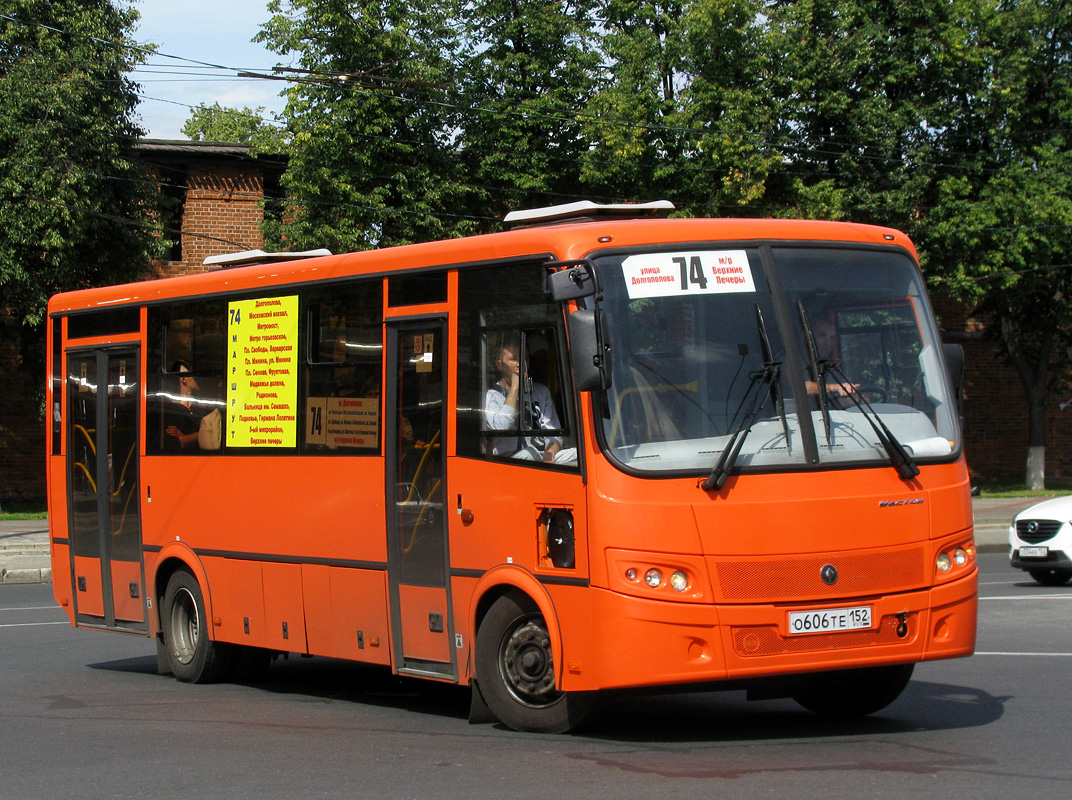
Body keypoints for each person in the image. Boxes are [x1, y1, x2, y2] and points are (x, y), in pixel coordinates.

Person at [484, 338, 576, 464]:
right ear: (499, 364)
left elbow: (554, 433)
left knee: (578, 455)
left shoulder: (541, 392)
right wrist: (515, 387)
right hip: (509, 460)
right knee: (529, 453)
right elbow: (502, 426)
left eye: (525, 359)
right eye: (513, 359)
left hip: (540, 455)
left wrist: (550, 454)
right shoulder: (492, 395)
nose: (520, 364)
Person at [165, 360, 202, 449]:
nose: (199, 380)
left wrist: (187, 437)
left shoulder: (200, 405)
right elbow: (177, 442)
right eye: (194, 376)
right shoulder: (170, 409)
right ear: (183, 379)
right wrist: (203, 434)